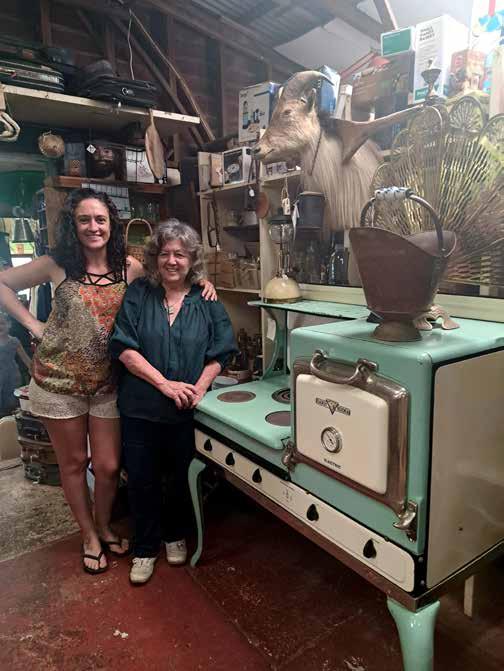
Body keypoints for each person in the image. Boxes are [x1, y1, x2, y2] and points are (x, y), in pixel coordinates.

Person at [0, 189, 216, 575]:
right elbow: (3, 284)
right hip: (58, 383)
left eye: (100, 219)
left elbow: (173, 274)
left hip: (109, 383)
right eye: (84, 220)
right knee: (74, 463)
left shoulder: (128, 267)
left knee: (109, 465)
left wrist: (204, 283)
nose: (93, 227)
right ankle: (89, 536)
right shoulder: (56, 264)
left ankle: (103, 525)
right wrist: (33, 324)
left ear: (111, 224)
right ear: (73, 224)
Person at [110, 219, 237, 585]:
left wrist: (199, 387)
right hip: (140, 408)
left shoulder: (205, 299)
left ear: (191, 259)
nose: (171, 261)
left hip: (185, 410)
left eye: (180, 254)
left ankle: (175, 535)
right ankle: (145, 547)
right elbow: (124, 348)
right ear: (155, 257)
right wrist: (165, 385)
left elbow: (221, 351)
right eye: (165, 253)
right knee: (142, 480)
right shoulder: (139, 293)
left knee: (180, 477)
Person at [0, 310, 31, 414]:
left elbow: (25, 359)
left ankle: (10, 419)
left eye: (2, 323)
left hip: (12, 375)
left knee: (11, 400)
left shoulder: (14, 341)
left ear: (9, 325)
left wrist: (33, 370)